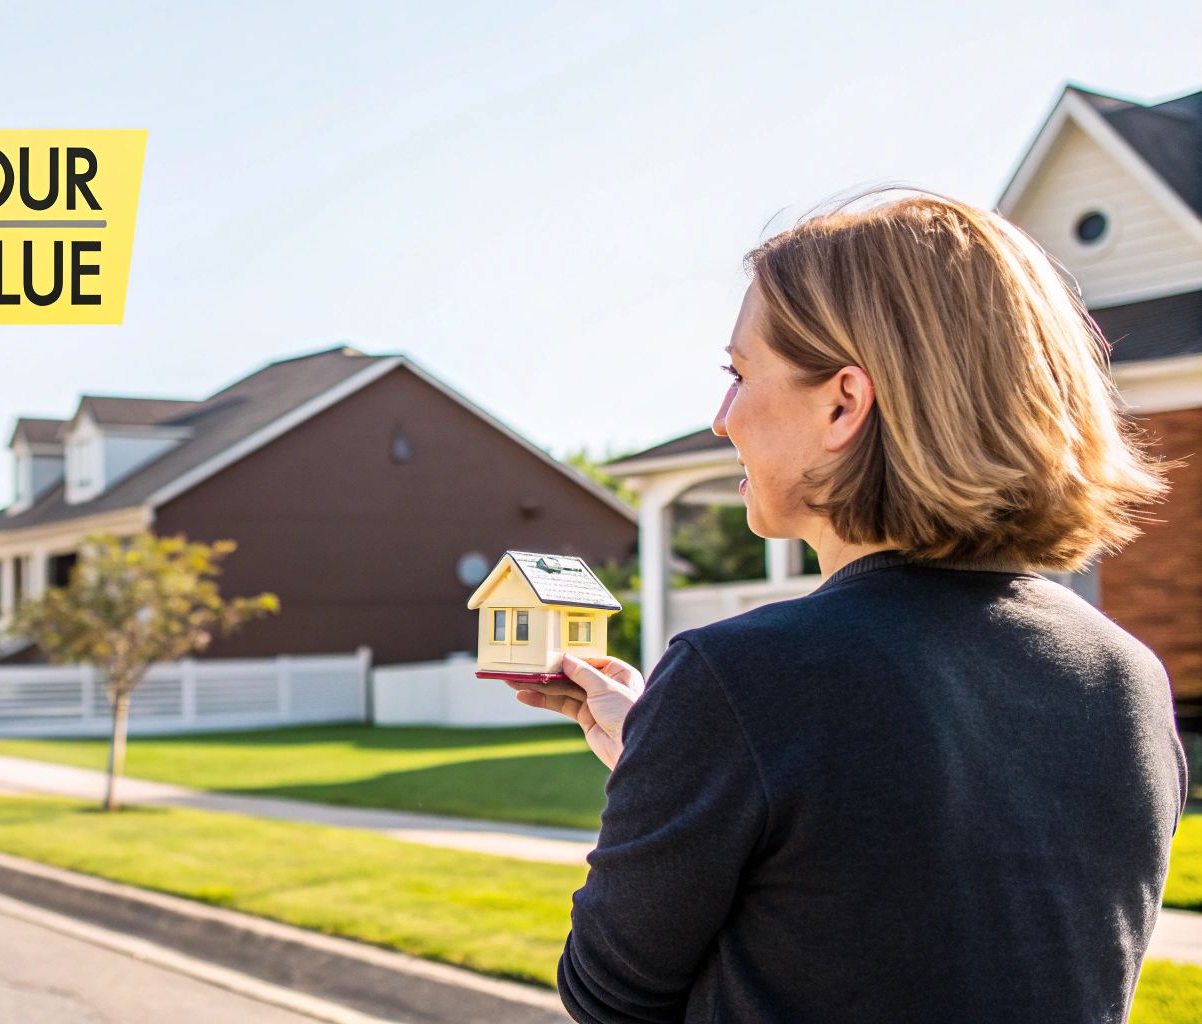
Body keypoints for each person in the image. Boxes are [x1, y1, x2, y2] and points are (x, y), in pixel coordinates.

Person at [509, 189, 1188, 1023]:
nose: (722, 421)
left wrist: (691, 752)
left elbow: (610, 994)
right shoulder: (1128, 678)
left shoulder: (739, 679)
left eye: (739, 374)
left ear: (843, 403)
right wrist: (672, 762)